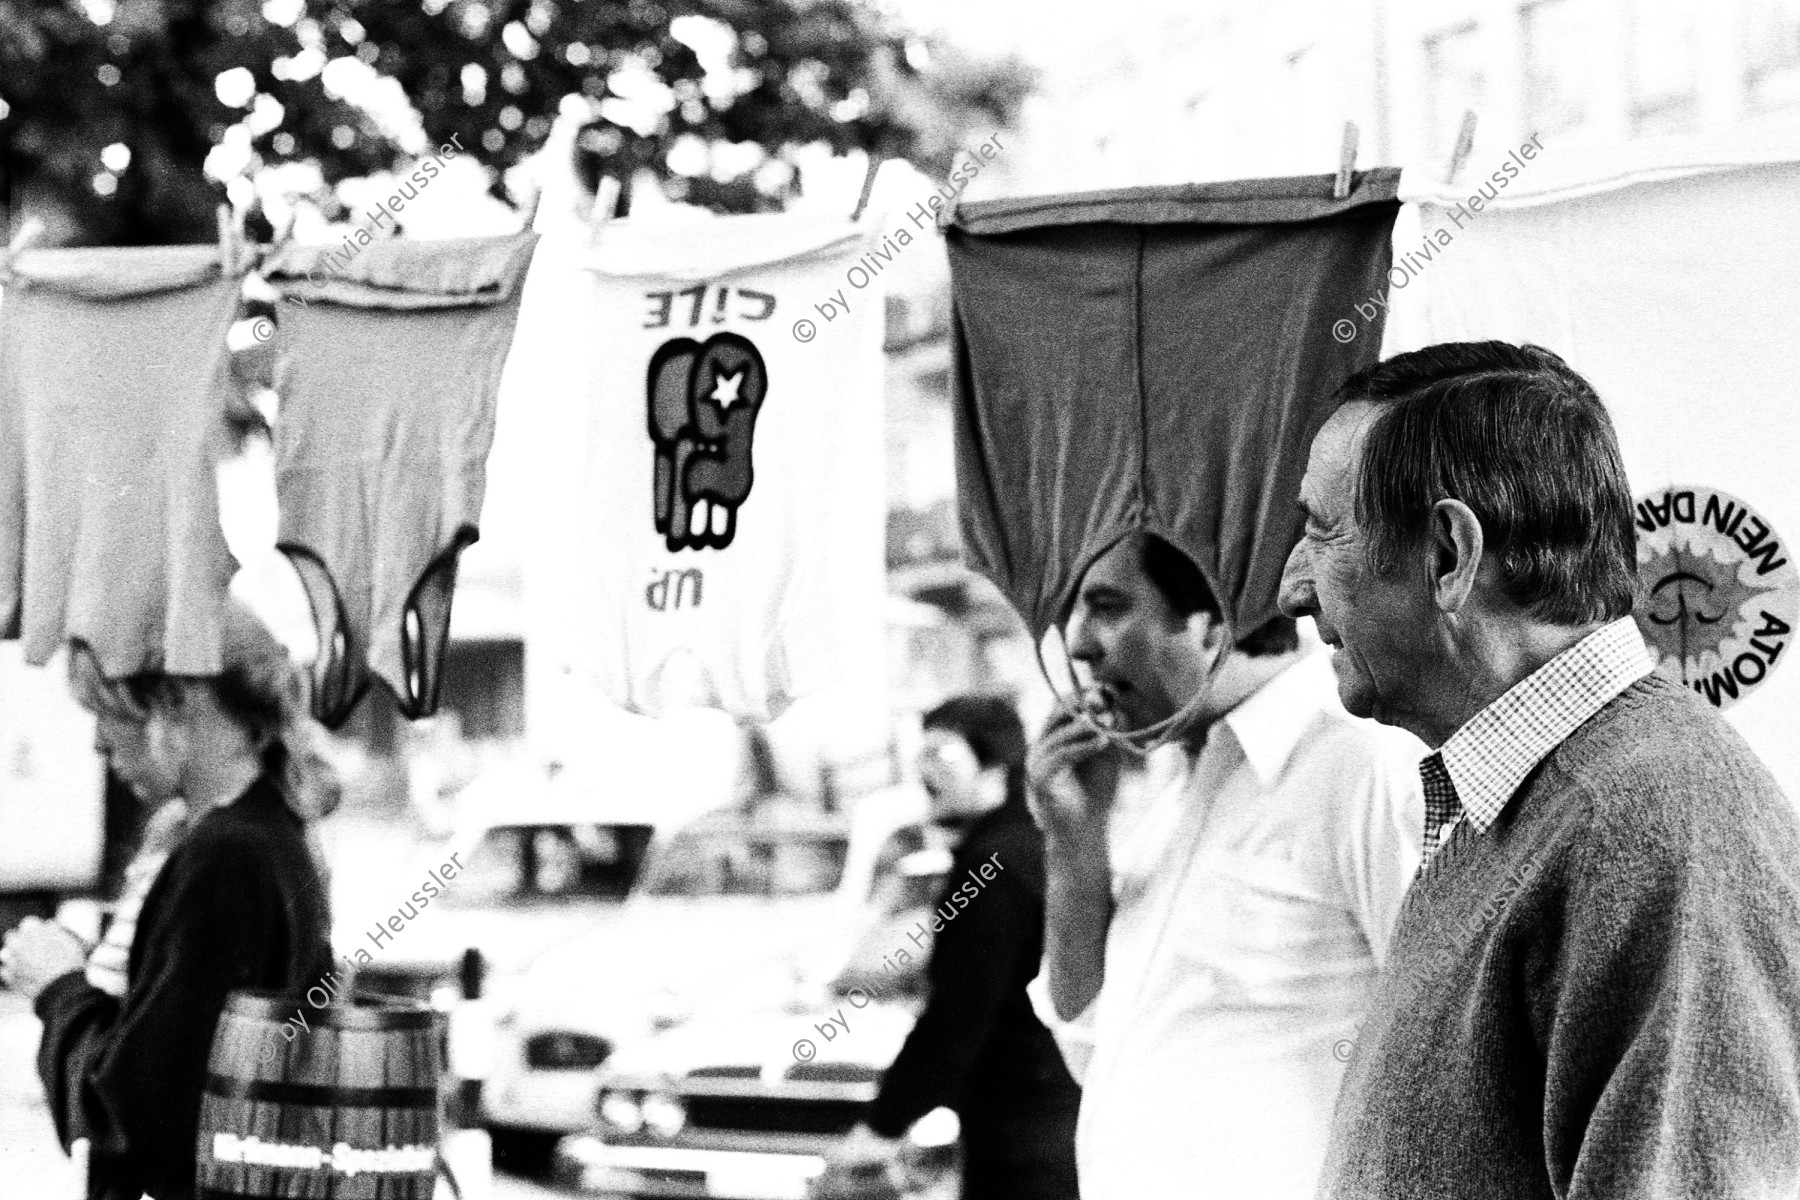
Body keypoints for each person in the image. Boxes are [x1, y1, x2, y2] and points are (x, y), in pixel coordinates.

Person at [1279, 340, 1800, 1199]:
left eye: (1324, 531)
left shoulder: (1644, 819)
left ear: (1448, 554)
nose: (1296, 586)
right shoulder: (1559, 798)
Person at [1027, 530, 1422, 1200]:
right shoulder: (1174, 785)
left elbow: (1446, 1055)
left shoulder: (1363, 767)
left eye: (1107, 607)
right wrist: (1074, 843)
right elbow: (1090, 1046)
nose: (1079, 643)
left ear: (1211, 619)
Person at [0, 601, 337, 1200]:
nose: (100, 743)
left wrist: (58, 987)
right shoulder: (271, 834)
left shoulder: (226, 857)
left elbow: (137, 1119)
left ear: (176, 706)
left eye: (109, 713)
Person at [822, 696, 1081, 1200]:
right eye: (919, 756)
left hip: (1022, 1134)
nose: (923, 773)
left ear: (996, 761)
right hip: (1050, 1117)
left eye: (940, 755)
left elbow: (958, 1017)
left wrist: (881, 1127)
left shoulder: (995, 865)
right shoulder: (1029, 843)